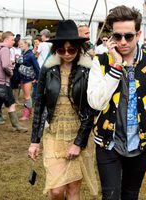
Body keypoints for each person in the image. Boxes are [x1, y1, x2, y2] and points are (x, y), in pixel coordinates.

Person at [87, 5, 146, 200]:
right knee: (110, 196)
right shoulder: (100, 62)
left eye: (129, 36)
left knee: (130, 195)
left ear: (139, 34)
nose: (123, 42)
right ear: (111, 37)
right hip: (108, 144)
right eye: (118, 37)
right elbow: (95, 103)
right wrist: (116, 66)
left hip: (141, 145)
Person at [28, 20, 98, 200]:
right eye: (61, 50)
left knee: (73, 189)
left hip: (79, 134)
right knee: (56, 190)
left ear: (78, 48)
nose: (67, 54)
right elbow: (39, 104)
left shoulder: (88, 69)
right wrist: (35, 141)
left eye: (71, 50)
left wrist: (78, 143)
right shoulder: (48, 68)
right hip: (53, 133)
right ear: (55, 49)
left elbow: (91, 110)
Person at [0, 31, 27, 132]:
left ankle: (17, 126)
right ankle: (17, 126)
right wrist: (11, 72)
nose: (14, 41)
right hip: (3, 82)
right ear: (6, 39)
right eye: (12, 39)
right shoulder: (5, 49)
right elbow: (4, 66)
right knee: (11, 104)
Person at [18, 36, 40, 120]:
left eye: (22, 44)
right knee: (26, 96)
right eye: (20, 44)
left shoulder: (30, 55)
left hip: (27, 78)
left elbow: (37, 68)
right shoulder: (24, 53)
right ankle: (28, 113)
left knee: (27, 96)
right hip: (23, 77)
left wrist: (37, 78)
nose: (20, 45)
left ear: (27, 44)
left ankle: (26, 115)